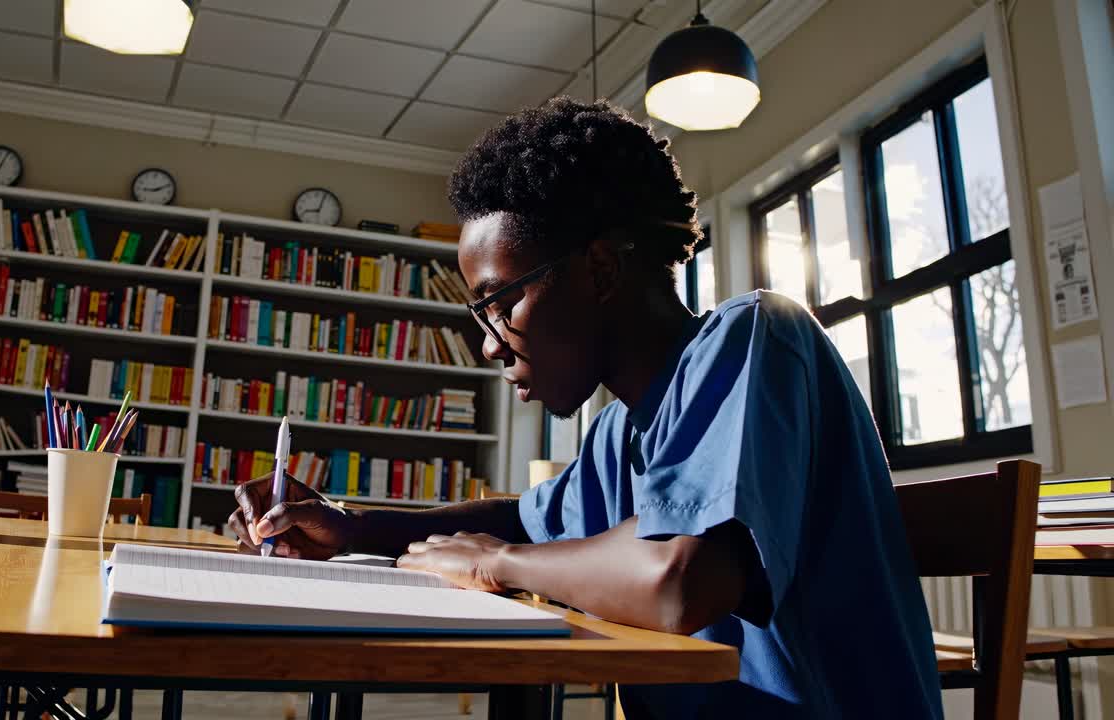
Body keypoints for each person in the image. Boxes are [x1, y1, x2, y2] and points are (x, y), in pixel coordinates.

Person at [229, 97, 942, 719]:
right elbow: (524, 518)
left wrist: (498, 565)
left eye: (501, 302)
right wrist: (353, 528)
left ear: (600, 268)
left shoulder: (752, 338)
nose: (488, 347)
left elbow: (678, 579)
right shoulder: (621, 430)